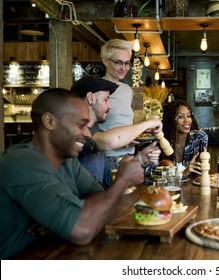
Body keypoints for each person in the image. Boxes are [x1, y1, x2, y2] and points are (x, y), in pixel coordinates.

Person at [0, 88, 144, 259]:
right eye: (80, 125)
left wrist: (63, 217)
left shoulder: (67, 160)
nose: (87, 134)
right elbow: (82, 230)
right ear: (49, 121)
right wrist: (123, 180)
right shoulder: (22, 161)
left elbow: (99, 196)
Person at [71, 76, 162, 187]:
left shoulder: (96, 131)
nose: (110, 106)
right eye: (106, 99)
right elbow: (111, 141)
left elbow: (108, 182)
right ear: (91, 98)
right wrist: (149, 122)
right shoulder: (77, 132)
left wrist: (140, 158)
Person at [97, 39, 136, 169]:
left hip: (129, 154)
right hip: (107, 157)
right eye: (119, 62)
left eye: (127, 63)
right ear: (105, 60)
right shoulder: (96, 89)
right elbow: (89, 128)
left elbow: (124, 122)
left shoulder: (127, 90)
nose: (124, 68)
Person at [161, 100, 208, 176]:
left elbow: (200, 172)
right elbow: (154, 173)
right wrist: (184, 173)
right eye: (180, 117)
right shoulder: (161, 141)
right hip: (166, 187)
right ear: (171, 119)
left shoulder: (199, 138)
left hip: (192, 185)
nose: (187, 120)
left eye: (188, 116)